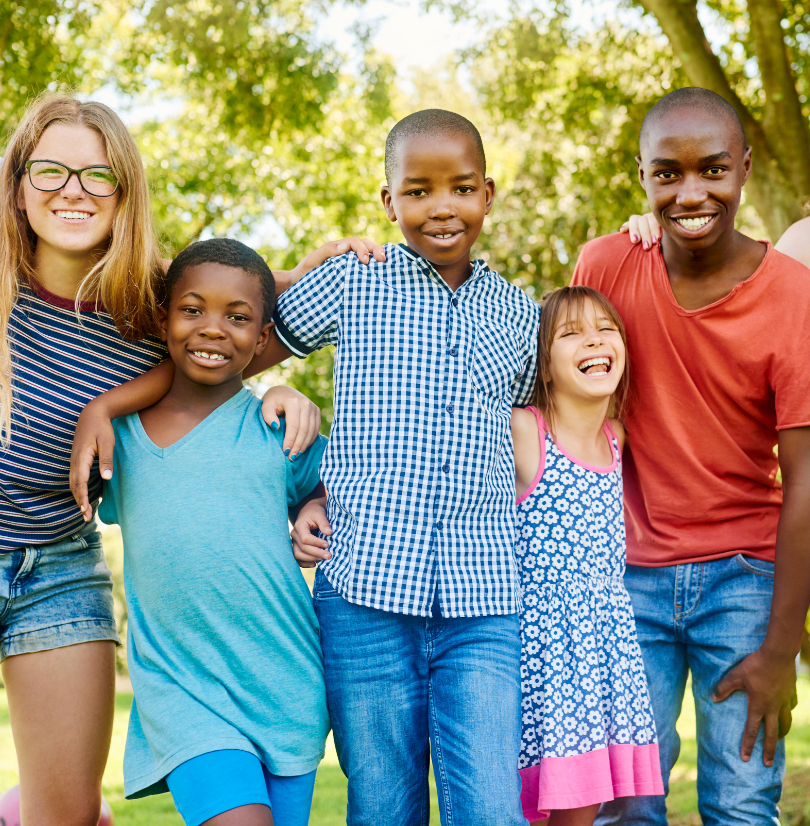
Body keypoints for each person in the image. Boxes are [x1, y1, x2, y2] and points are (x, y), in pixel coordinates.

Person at [0, 91, 367, 826]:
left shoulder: (152, 309)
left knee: (63, 815)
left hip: (54, 570)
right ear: (17, 184)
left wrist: (309, 276)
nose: (72, 190)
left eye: (96, 175)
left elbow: (233, 321)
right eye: (49, 171)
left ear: (124, 191)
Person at [283, 108, 541, 825]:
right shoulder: (352, 281)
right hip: (364, 591)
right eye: (419, 190)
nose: (441, 207)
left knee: (491, 808)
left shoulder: (520, 315)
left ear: (487, 193)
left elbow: (538, 429)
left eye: (460, 187)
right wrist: (280, 403)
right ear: (388, 200)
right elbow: (230, 343)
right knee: (383, 807)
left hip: (484, 598)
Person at [572, 87, 810, 825]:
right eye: (667, 173)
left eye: (712, 169)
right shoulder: (607, 264)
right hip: (623, 579)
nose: (690, 191)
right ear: (641, 175)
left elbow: (805, 479)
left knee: (741, 802)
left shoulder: (794, 296)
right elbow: (557, 418)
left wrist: (781, 648)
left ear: (742, 167)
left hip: (743, 579)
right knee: (625, 807)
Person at [98, 239, 329, 826]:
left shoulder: (277, 426)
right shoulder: (120, 439)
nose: (212, 329)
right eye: (192, 309)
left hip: (286, 682)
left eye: (238, 316)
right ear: (163, 317)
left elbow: (336, 489)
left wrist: (315, 506)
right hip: (184, 691)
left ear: (262, 334)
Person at [511, 285, 663, 826]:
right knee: (533, 806)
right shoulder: (524, 431)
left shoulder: (616, 437)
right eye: (570, 334)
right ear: (545, 367)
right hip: (540, 650)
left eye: (605, 329)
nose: (594, 341)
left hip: (603, 649)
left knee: (585, 807)